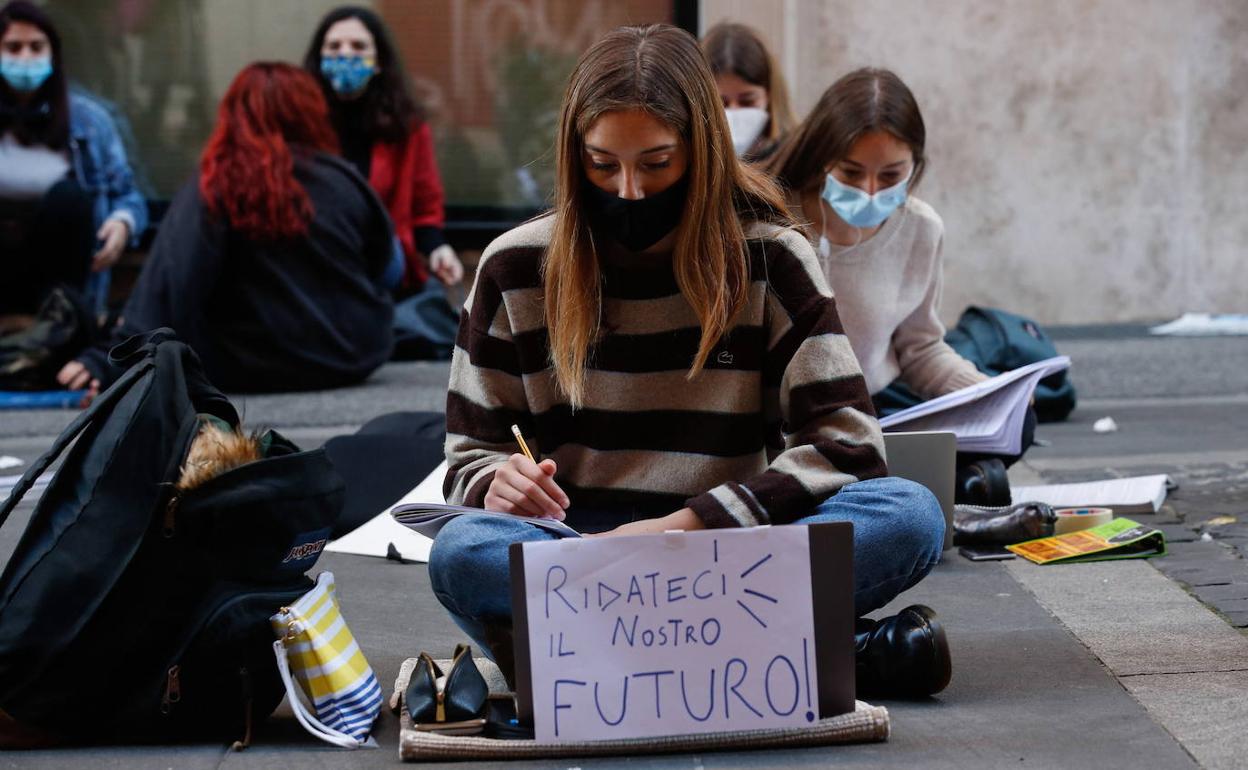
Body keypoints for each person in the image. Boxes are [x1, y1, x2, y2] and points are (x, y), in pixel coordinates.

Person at [428, 25, 951, 699]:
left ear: (700, 153)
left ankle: (597, 660)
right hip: (583, 550)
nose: (629, 191)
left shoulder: (769, 258)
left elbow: (849, 445)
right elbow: (469, 454)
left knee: (910, 512)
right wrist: (499, 481)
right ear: (572, 156)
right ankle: (812, 652)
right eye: (602, 165)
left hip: (726, 541)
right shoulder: (513, 268)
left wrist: (682, 530)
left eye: (656, 163)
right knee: (463, 554)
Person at [768, 68, 1034, 505]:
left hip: (875, 409)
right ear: (823, 158)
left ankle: (902, 484)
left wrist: (990, 396)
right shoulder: (774, 217)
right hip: (784, 422)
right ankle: (940, 487)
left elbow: (921, 348)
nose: (870, 191)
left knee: (1014, 425)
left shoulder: (920, 229)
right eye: (851, 174)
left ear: (916, 167)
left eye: (891, 176)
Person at [57, 62, 394, 394]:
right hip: (355, 356)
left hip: (251, 365)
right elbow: (387, 267)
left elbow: (173, 282)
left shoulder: (218, 184)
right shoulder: (345, 179)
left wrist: (109, 358)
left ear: (234, 116)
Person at [0, 0, 145, 322]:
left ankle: (59, 326)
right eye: (13, 48)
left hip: (60, 287)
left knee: (70, 199)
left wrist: (123, 222)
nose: (25, 58)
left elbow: (128, 193)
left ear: (53, 54)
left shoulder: (90, 121)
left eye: (36, 47)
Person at [304, 8, 463, 296]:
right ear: (321, 58)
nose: (346, 54)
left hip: (381, 268)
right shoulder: (299, 122)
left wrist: (437, 248)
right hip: (315, 260)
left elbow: (425, 204)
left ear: (377, 62)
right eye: (334, 46)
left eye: (358, 46)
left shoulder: (407, 126)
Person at [701, 22, 797, 163]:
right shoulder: (690, 161)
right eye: (721, 103)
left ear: (769, 95)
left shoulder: (796, 157)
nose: (733, 111)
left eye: (747, 101)